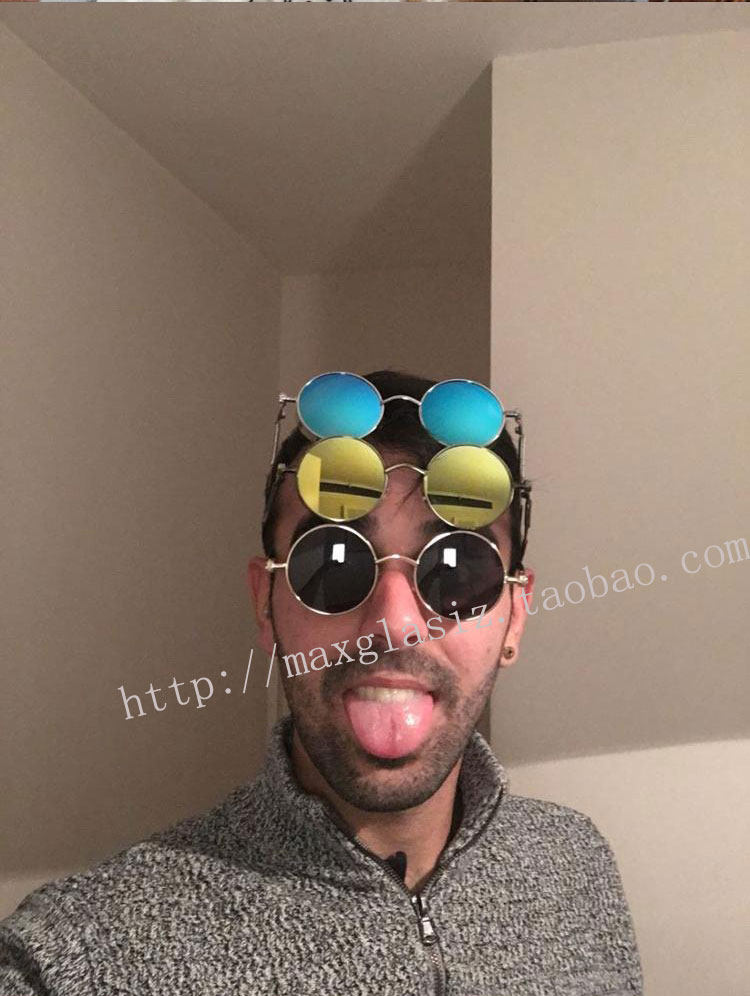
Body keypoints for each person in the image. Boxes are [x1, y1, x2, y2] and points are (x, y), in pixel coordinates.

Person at [0, 368, 644, 995]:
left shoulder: (574, 865)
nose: (394, 625)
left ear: (515, 617)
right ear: (265, 602)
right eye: (333, 563)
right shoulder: (77, 957)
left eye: (457, 567)